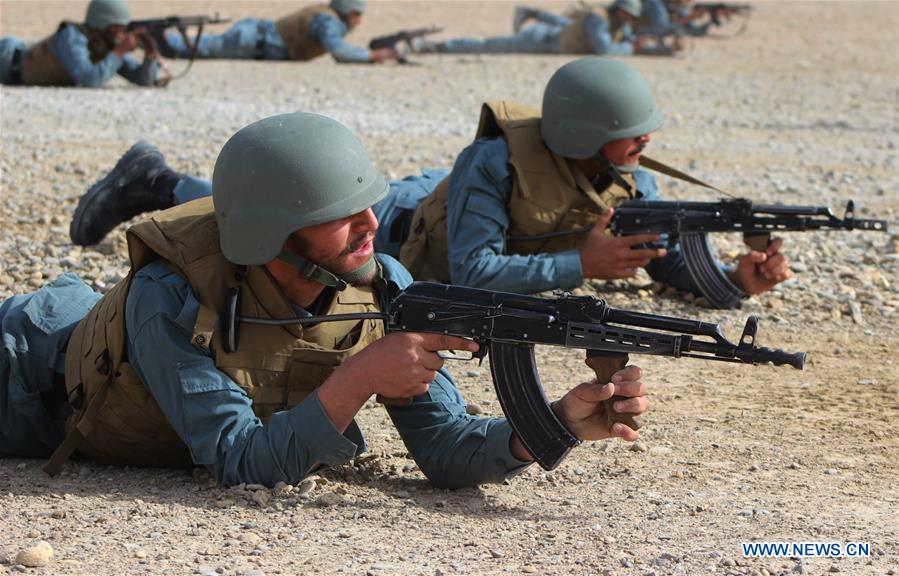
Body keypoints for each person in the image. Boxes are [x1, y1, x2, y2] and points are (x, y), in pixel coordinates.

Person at [2, 112, 650, 488]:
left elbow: (445, 447)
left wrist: (550, 426)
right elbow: (239, 461)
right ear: (269, 235)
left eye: (367, 201)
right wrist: (358, 378)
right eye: (337, 215)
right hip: (22, 374)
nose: (370, 222)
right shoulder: (170, 297)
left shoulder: (383, 286)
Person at [70, 58, 790, 307]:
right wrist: (580, 265)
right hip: (406, 220)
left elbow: (658, 255)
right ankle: (154, 179)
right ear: (577, 134)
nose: (646, 142)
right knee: (277, 211)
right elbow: (474, 267)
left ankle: (156, 176)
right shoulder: (497, 163)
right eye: (632, 130)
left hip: (436, 213)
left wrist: (733, 279)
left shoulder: (615, 174)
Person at [153, 0, 397, 64]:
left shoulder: (328, 16)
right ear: (347, 10)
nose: (359, 20)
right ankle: (159, 40)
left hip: (253, 37)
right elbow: (338, 49)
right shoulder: (329, 21)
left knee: (204, 45)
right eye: (357, 13)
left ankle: (161, 40)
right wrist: (373, 56)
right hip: (251, 40)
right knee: (198, 48)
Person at [410, 0, 674, 57]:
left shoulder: (614, 21)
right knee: (487, 45)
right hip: (541, 40)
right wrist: (632, 48)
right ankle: (437, 47)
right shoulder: (599, 19)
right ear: (621, 11)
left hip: (551, 39)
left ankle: (533, 13)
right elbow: (604, 49)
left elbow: (624, 38)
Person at [0, 0, 164, 87]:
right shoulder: (72, 38)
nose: (122, 33)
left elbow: (142, 80)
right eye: (118, 27)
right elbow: (89, 79)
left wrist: (150, 57)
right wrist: (119, 52)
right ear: (103, 23)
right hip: (7, 59)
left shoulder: (104, 44)